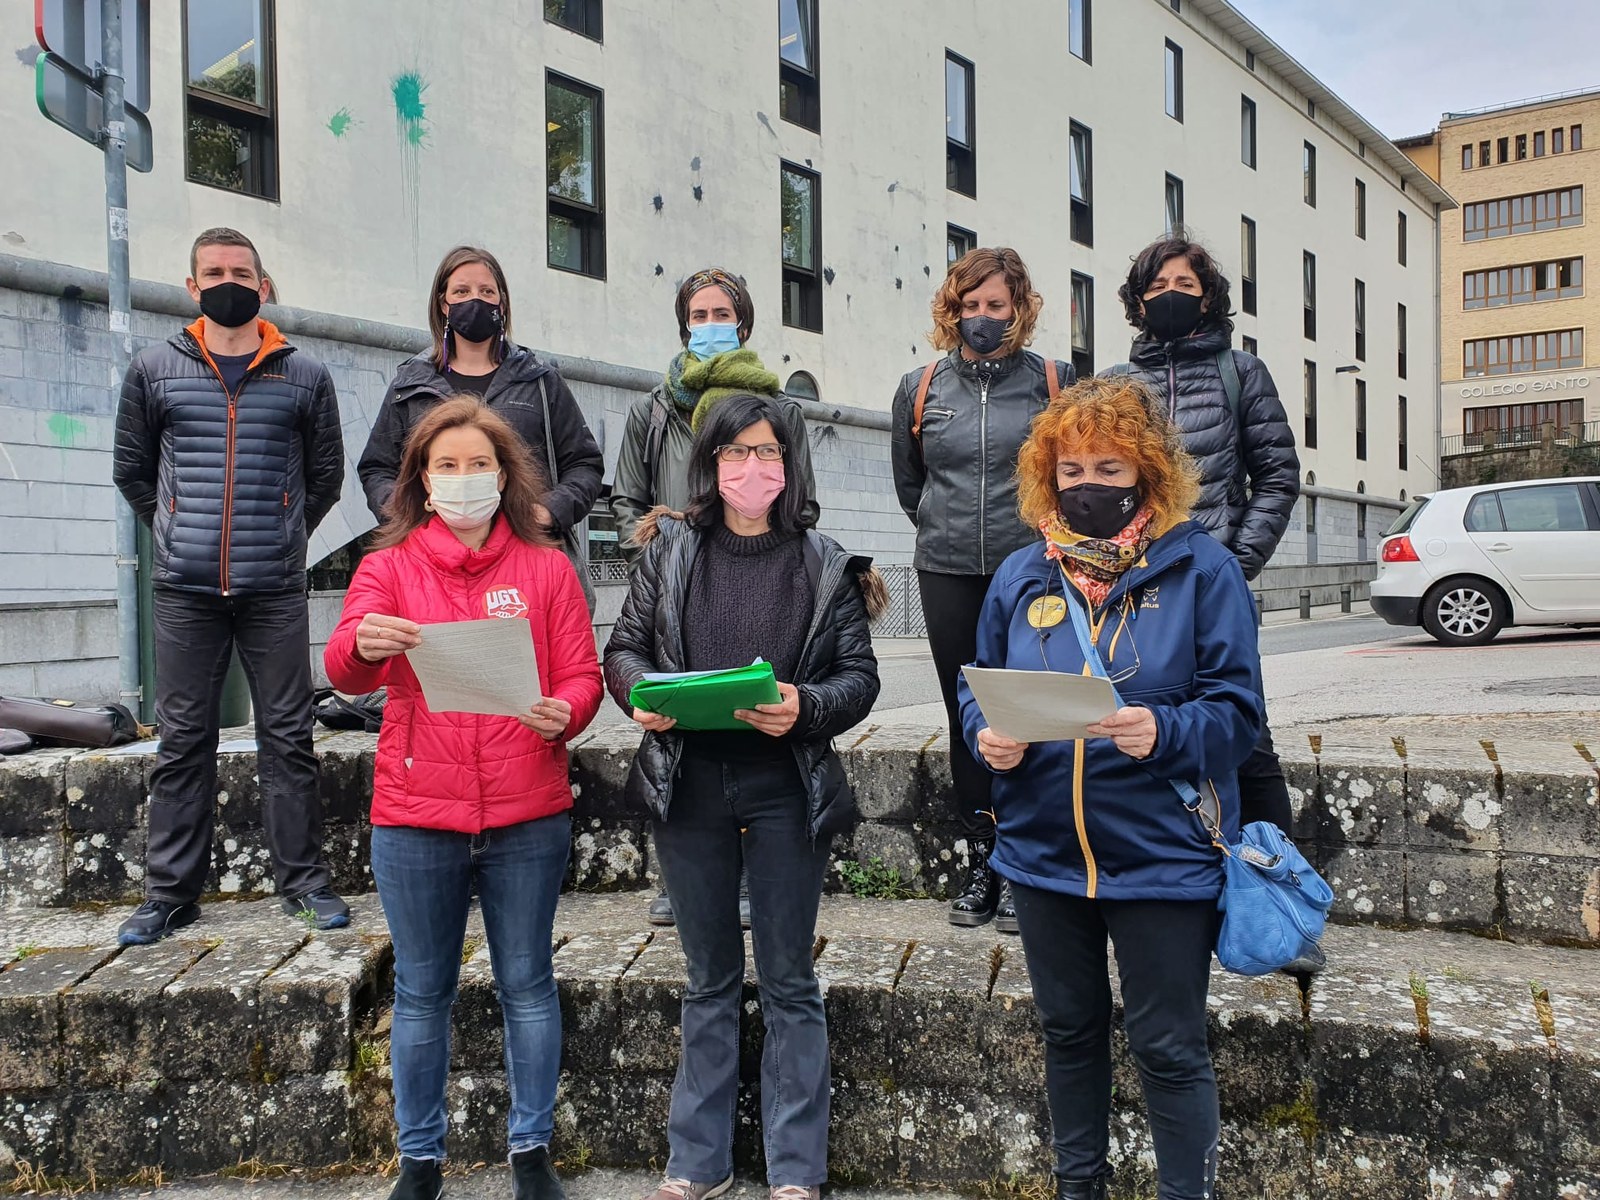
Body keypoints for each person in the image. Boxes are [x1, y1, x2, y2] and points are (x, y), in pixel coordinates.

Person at [959, 375, 1263, 1200]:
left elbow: (1238, 716)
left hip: (1163, 855)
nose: (1087, 483)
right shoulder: (1023, 574)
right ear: (1046, 475)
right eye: (1071, 467)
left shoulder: (1205, 569)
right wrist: (986, 737)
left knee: (1168, 1047)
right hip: (1044, 854)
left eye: (1108, 465)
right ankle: (1078, 1188)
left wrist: (1165, 731)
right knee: (1068, 1033)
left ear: (1148, 471)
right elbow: (975, 687)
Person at [603, 394, 882, 1200]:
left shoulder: (826, 560)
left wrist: (806, 706)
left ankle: (797, 1169)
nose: (750, 469)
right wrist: (638, 696)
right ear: (710, 464)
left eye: (766, 454)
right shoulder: (671, 549)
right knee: (709, 975)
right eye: (733, 455)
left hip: (786, 787)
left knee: (791, 977)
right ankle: (698, 1160)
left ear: (790, 466)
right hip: (688, 781)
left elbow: (857, 679)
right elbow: (623, 648)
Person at [326, 397, 602, 1200]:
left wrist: (569, 712)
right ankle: (420, 1159)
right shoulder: (389, 565)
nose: (463, 478)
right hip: (418, 812)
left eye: (478, 463)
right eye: (444, 465)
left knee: (527, 982)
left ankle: (530, 1150)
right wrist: (363, 644)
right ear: (420, 479)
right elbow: (345, 667)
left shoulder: (547, 567)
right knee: (420, 990)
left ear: (505, 473)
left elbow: (581, 676)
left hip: (528, 808)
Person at [111, 227, 348, 945]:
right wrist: (176, 528)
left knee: (289, 738)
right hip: (185, 591)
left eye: (241, 270)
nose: (228, 281)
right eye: (213, 271)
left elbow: (326, 479)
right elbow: (133, 470)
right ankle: (170, 894)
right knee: (183, 741)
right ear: (192, 287)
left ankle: (303, 883)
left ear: (264, 283)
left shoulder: (304, 375)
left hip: (273, 587)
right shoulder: (154, 367)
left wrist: (281, 534)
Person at [608, 266, 819, 929]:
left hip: (761, 568)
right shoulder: (652, 409)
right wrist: (657, 558)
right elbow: (626, 498)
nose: (708, 325)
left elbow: (804, 498)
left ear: (745, 323)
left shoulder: (782, 412)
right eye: (696, 315)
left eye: (719, 313)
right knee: (677, 734)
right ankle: (683, 879)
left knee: (756, 726)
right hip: (680, 584)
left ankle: (757, 877)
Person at [889, 247, 1073, 931]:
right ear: (953, 310)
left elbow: (1066, 472)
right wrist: (949, 529)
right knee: (971, 720)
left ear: (1020, 310)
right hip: (948, 570)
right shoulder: (921, 386)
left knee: (1035, 713)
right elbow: (914, 485)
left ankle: (1033, 860)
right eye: (971, 306)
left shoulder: (1055, 381)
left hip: (1035, 571)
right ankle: (983, 860)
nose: (982, 318)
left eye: (996, 306)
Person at [1107, 233, 1300, 835]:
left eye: (1184, 285)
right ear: (1137, 302)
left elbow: (1277, 474)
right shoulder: (1114, 383)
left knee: (1246, 736)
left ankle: (1273, 890)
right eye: (1157, 286)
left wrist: (1234, 564)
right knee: (1141, 729)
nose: (1170, 295)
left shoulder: (1240, 372)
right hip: (1131, 586)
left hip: (1212, 579)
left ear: (1209, 297)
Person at [357, 244, 603, 606]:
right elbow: (378, 468)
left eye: (487, 291)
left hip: (530, 561)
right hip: (434, 570)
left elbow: (585, 465)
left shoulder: (539, 381)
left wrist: (548, 511)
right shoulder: (409, 385)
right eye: (462, 291)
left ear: (501, 302)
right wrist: (407, 517)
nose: (476, 300)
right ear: (443, 303)